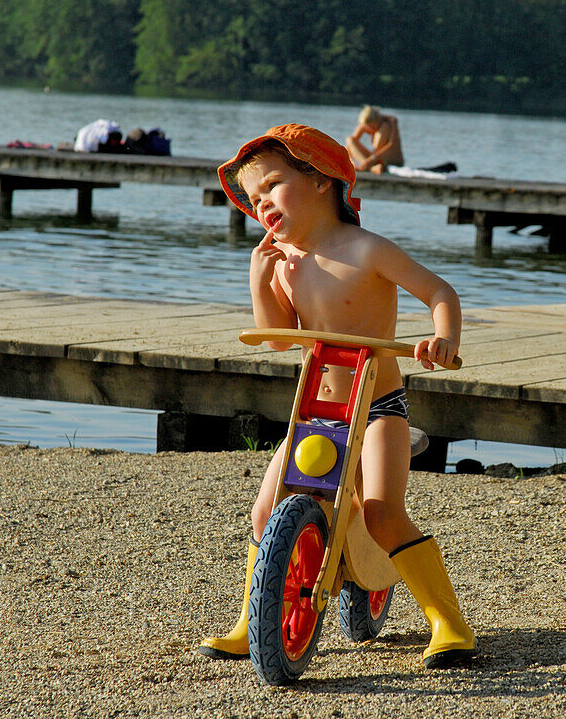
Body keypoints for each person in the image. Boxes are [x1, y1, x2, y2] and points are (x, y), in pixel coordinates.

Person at [198, 123, 475, 668]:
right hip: (317, 414)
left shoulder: (365, 249)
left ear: (322, 180)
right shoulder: (288, 264)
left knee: (381, 513)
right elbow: (278, 338)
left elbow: (439, 292)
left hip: (376, 410)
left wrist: (443, 337)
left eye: (273, 186)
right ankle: (253, 619)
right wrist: (261, 280)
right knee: (263, 512)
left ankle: (447, 621)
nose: (261, 205)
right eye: (253, 200)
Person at [345, 105, 404, 173]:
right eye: (369, 127)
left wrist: (371, 159)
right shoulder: (364, 124)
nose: (371, 129)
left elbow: (391, 145)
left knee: (384, 127)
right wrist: (352, 163)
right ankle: (371, 168)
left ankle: (369, 167)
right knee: (349, 139)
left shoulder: (389, 123)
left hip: (390, 159)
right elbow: (349, 145)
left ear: (377, 120)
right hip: (375, 160)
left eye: (373, 126)